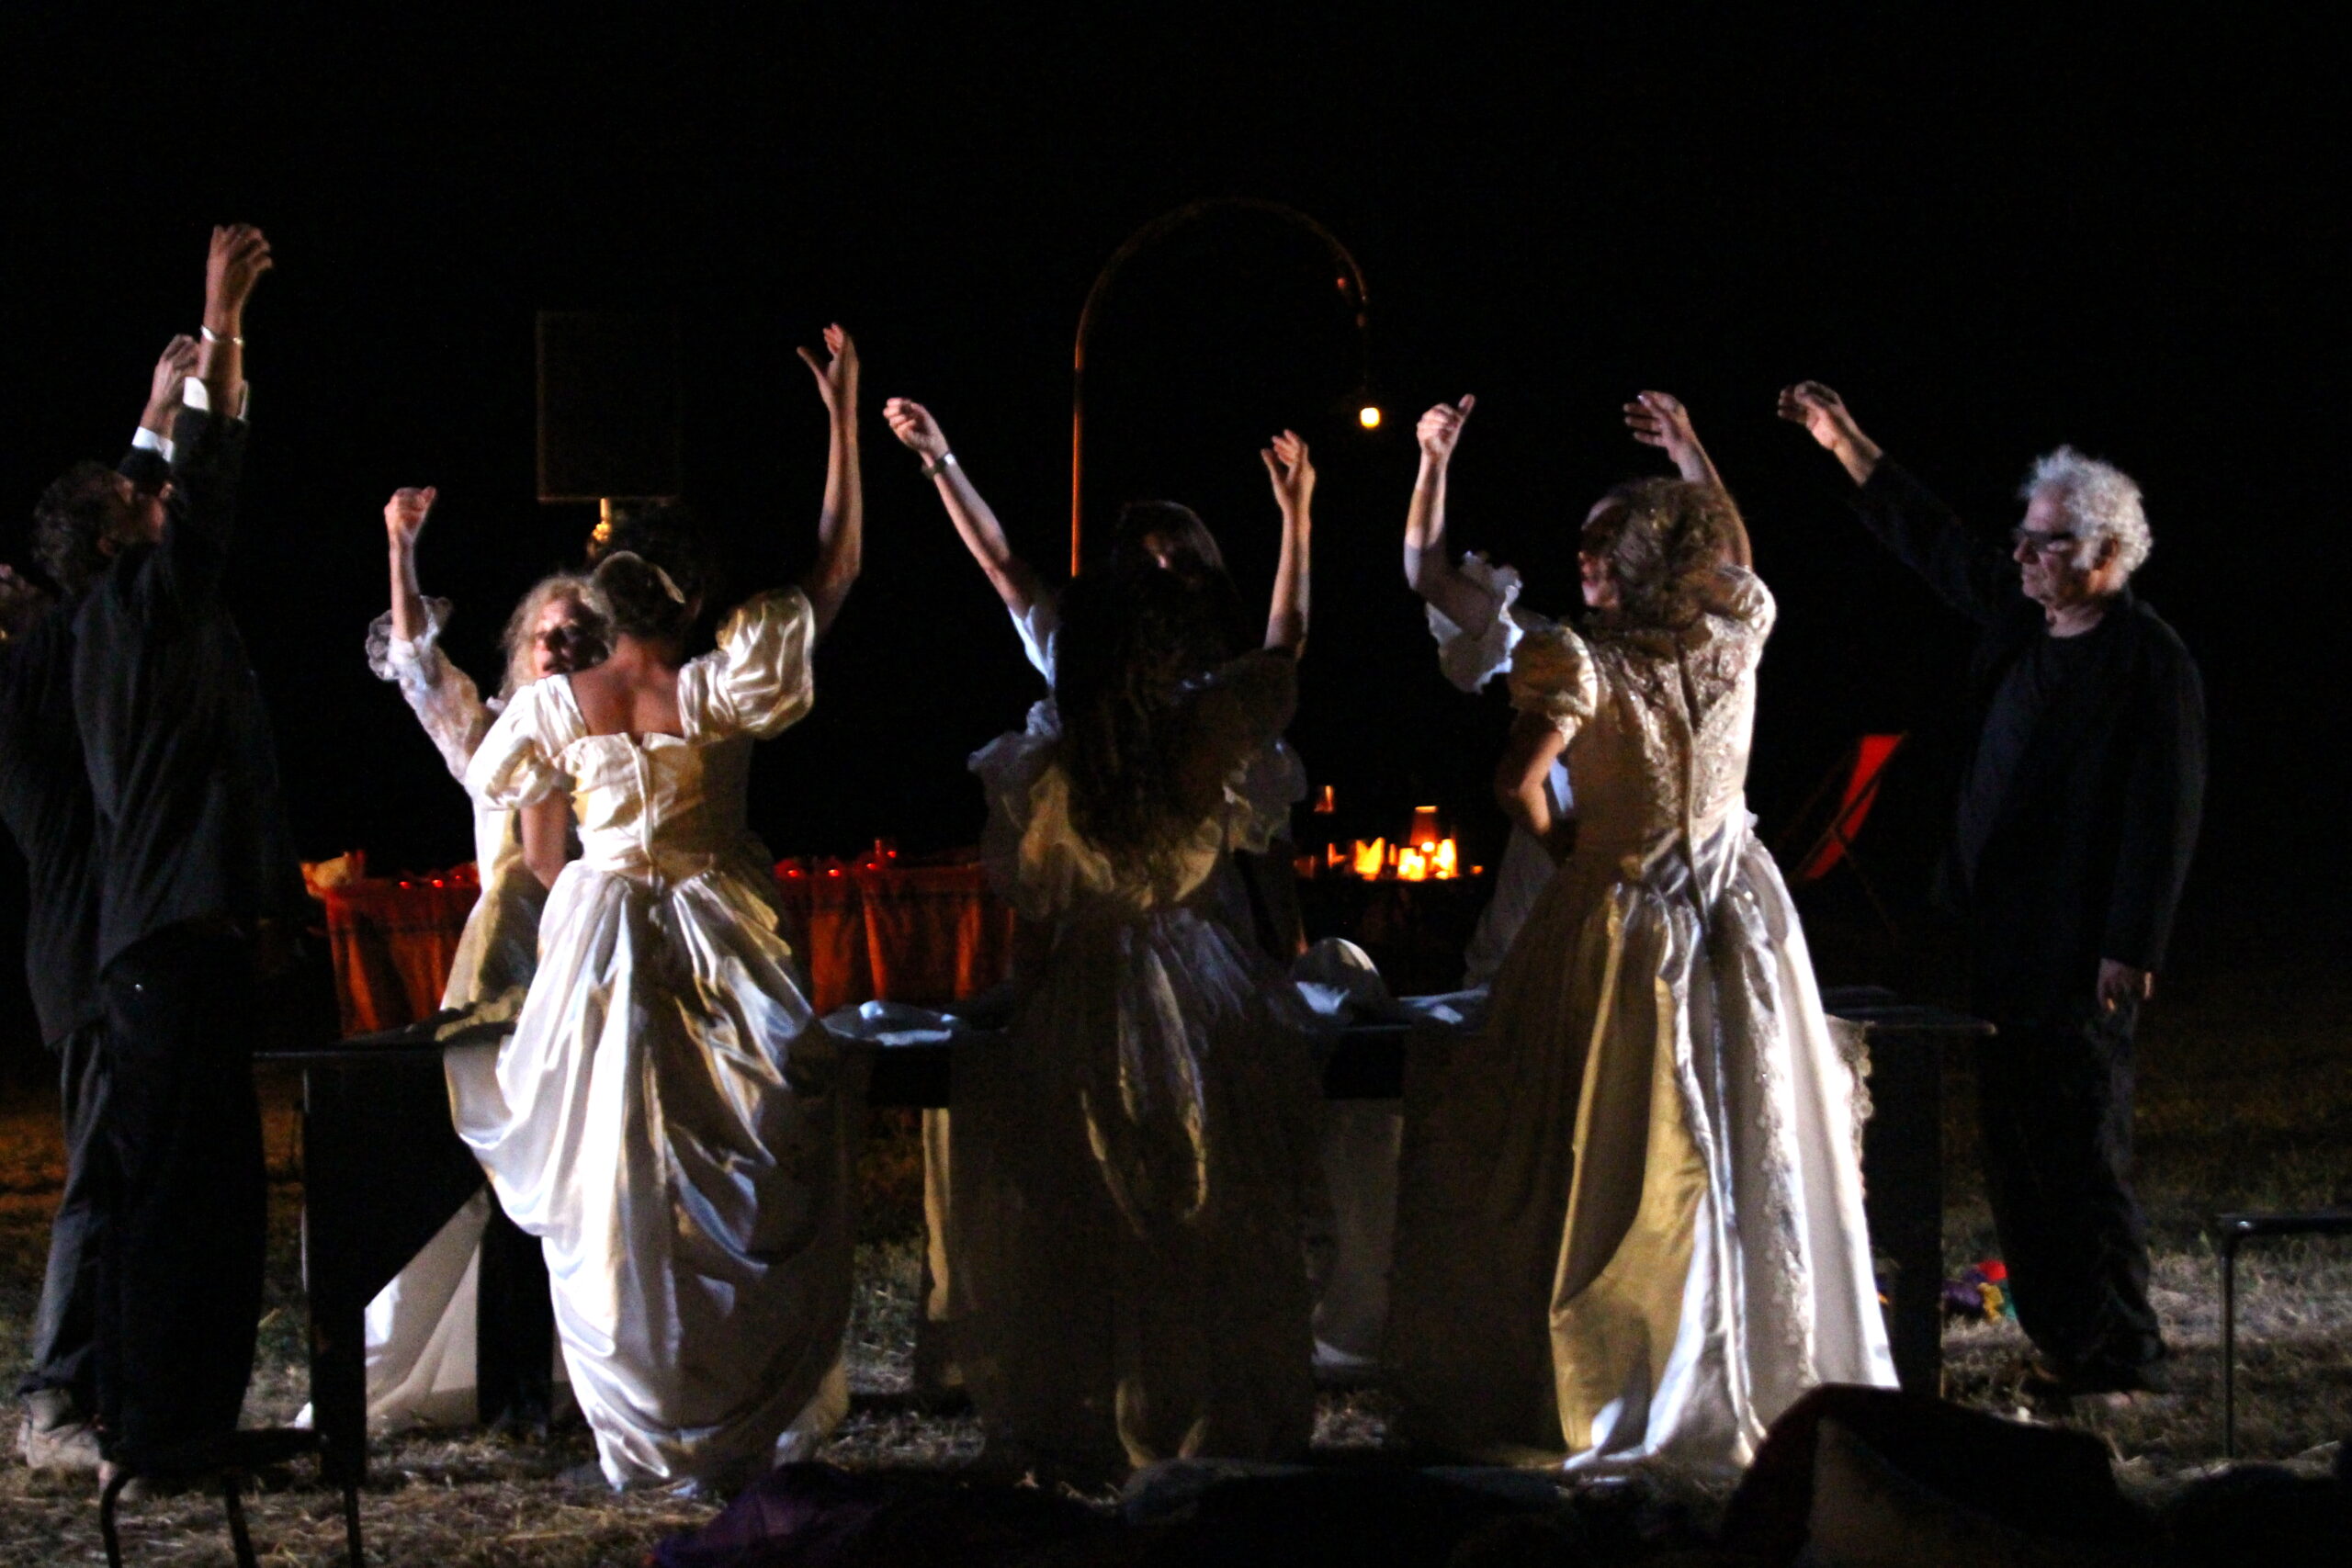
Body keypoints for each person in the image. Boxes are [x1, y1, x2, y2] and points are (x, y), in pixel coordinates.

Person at [1387, 404, 1895, 1472]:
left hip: (1625, 910)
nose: (1584, 556)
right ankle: (1719, 1354)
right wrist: (1689, 455)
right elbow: (1736, 556)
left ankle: (1643, 1361)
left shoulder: (1580, 659)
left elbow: (1514, 780)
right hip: (1730, 905)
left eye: (1605, 540)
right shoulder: (1730, 632)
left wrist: (1568, 843)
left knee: (1633, 1131)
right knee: (1720, 1119)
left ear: (1641, 560)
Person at [460, 325, 865, 1492]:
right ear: (692, 604)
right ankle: (726, 1410)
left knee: (620, 1177)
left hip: (605, 934)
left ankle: (644, 1418)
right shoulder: (723, 686)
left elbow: (501, 784)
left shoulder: (558, 706)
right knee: (733, 1156)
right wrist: (841, 420)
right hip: (716, 928)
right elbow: (834, 569)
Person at [1779, 381, 2204, 1399]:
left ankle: (2122, 1350)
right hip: (1996, 933)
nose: (2022, 555)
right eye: (2024, 536)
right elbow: (1938, 544)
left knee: (2080, 1145)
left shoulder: (2147, 662)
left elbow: (2166, 812)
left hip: (2080, 947)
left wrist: (2131, 944)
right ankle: (2062, 1337)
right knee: (2016, 1147)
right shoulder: (2023, 620)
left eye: (2045, 542)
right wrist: (1846, 443)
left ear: (2105, 552)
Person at [880, 399, 1315, 1392]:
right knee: (1123, 1168)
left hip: (1195, 935)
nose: (1163, 572)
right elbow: (1006, 568)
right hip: (1146, 941)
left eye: (1180, 557)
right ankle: (1146, 1373)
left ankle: (1156, 1371)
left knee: (1187, 1160)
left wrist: (1297, 520)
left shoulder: (1214, 698)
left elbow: (1280, 666)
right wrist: (942, 462)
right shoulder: (1110, 694)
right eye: (1148, 560)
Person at [64, 223, 297, 1481]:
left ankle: (165, 1421)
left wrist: (157, 414)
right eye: (143, 502)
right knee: (180, 1200)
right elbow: (199, 496)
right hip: (163, 951)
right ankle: (161, 1430)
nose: (160, 500)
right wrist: (222, 328)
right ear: (123, 539)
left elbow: (164, 490)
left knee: (185, 1192)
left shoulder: (128, 617)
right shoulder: (137, 609)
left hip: (166, 948)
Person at [346, 485, 611, 1433]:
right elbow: (417, 665)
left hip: (592, 967)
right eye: (547, 634)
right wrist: (401, 548)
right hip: (507, 973)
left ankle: (582, 1372)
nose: (561, 647)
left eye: (579, 635)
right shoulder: (492, 734)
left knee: (586, 1175)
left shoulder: (620, 742)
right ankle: (509, 1383)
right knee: (502, 1178)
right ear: (520, 649)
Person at [2, 334, 198, 1472]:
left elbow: (101, 553)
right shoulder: (53, 658)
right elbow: (107, 567)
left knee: (122, 1169)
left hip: (93, 947)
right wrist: (156, 427)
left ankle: (99, 1384)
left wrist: (153, 417)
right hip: (88, 953)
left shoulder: (58, 651)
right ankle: (54, 1398)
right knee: (97, 1175)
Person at [1403, 391, 1728, 987]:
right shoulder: (1556, 648)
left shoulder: (1694, 655)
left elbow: (1733, 571)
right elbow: (1428, 575)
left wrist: (1687, 449)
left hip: (1656, 895)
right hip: (1551, 890)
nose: (1584, 552)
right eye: (1585, 536)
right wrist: (1433, 462)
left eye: (1605, 538)